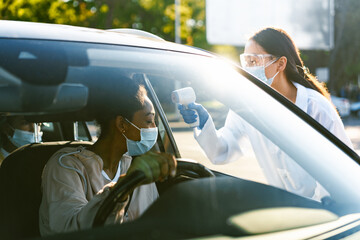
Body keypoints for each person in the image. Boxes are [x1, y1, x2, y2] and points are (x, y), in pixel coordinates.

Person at [178, 27, 353, 201]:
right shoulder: (247, 105)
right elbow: (222, 151)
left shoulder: (317, 109)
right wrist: (203, 124)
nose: (248, 69)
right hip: (284, 210)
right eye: (245, 62)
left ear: (281, 64)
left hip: (325, 213)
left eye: (254, 61)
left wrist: (317, 209)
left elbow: (341, 170)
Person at [39, 77, 177, 236]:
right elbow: (69, 231)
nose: (154, 128)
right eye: (149, 121)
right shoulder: (66, 166)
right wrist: (122, 187)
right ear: (122, 125)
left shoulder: (138, 167)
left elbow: (156, 224)